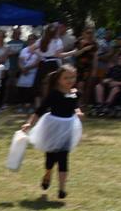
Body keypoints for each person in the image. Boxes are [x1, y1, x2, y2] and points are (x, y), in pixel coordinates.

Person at [22, 64, 83, 200]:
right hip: (53, 127)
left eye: (72, 77)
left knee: (63, 157)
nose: (70, 80)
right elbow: (40, 110)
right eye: (66, 78)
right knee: (51, 157)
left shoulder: (75, 93)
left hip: (68, 127)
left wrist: (78, 112)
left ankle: (62, 189)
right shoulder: (54, 94)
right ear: (59, 80)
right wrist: (29, 123)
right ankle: (48, 173)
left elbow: (75, 106)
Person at [16, 36, 42, 112]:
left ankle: (30, 105)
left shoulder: (39, 50)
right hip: (24, 71)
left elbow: (38, 62)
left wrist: (28, 68)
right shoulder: (24, 50)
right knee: (21, 88)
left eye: (33, 39)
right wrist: (22, 68)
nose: (31, 41)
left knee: (31, 89)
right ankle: (22, 105)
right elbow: (20, 61)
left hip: (33, 71)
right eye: (29, 39)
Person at [5, 28, 25, 104]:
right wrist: (17, 52)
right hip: (10, 66)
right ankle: (8, 100)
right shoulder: (8, 43)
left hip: (20, 66)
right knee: (9, 83)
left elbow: (23, 53)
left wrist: (13, 53)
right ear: (13, 34)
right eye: (15, 33)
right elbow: (7, 53)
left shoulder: (23, 43)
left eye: (18, 33)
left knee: (17, 84)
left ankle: (16, 100)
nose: (17, 34)